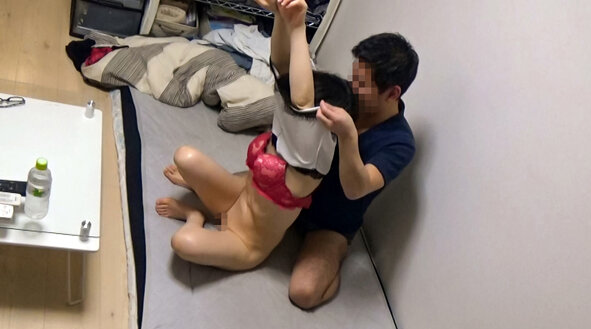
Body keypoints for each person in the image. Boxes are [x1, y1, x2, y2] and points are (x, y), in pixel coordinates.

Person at [155, 0, 354, 271]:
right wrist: (280, 16)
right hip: (234, 199)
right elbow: (282, 66)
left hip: (245, 241)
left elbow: (302, 100)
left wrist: (298, 27)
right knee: (185, 157)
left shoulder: (313, 156)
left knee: (182, 242)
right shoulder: (288, 120)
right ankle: (205, 200)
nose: (287, 105)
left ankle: (195, 215)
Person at [287, 32, 419, 310]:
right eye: (353, 76)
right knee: (218, 200)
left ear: (392, 93)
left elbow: (356, 189)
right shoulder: (346, 92)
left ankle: (334, 258)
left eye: (361, 83)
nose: (352, 85)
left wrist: (348, 135)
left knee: (303, 293)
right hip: (295, 187)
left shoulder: (400, 142)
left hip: (331, 223)